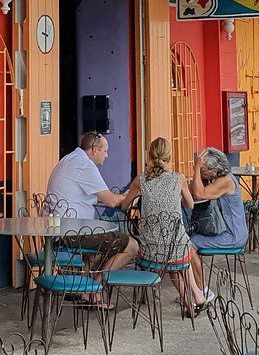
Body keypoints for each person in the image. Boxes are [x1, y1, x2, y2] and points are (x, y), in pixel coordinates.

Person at [136, 137, 211, 312]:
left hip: (150, 250)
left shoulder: (140, 180)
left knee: (174, 260)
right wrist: (177, 200)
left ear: (149, 156)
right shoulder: (179, 178)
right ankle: (196, 297)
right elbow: (190, 204)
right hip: (177, 248)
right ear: (169, 157)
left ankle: (194, 299)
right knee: (178, 254)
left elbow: (125, 205)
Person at [46, 131, 138, 272]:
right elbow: (111, 202)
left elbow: (94, 196)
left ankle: (83, 282)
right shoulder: (84, 165)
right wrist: (129, 196)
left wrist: (117, 197)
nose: (107, 155)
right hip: (72, 233)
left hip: (58, 230)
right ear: (95, 150)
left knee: (101, 248)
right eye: (105, 151)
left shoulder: (69, 159)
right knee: (132, 246)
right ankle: (96, 284)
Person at [186, 147, 248, 292]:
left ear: (213, 170)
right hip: (230, 232)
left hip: (233, 235)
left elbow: (199, 193)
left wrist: (196, 168)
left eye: (203, 170)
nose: (201, 174)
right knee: (193, 237)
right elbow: (192, 189)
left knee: (189, 244)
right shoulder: (220, 179)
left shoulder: (226, 181)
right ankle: (197, 289)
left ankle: (202, 290)